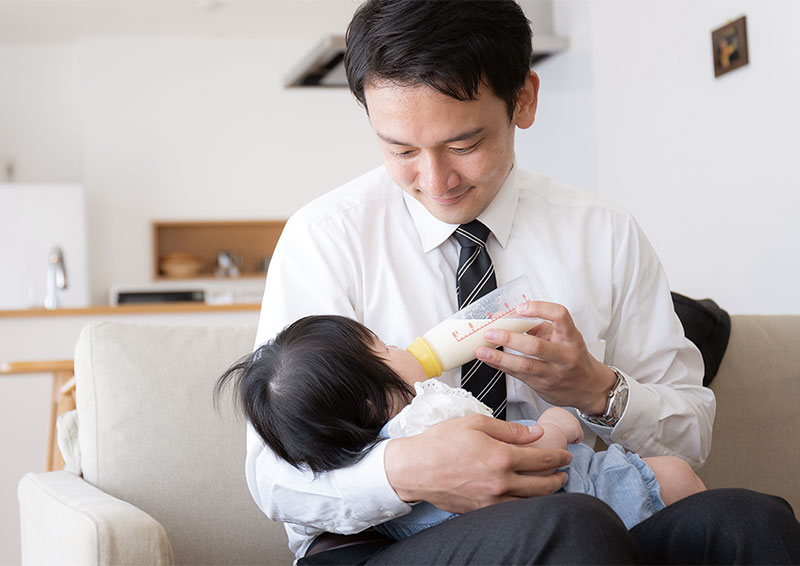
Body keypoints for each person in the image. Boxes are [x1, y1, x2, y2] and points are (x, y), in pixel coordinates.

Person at [248, 0, 800, 563]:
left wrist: (593, 389)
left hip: (582, 511)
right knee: (569, 528)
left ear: (526, 100)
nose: (435, 181)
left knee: (752, 519)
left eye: (463, 145)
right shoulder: (325, 237)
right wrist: (408, 472)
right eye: (402, 150)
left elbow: (690, 441)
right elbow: (271, 478)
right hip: (378, 543)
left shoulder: (602, 232)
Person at [217, 314, 705, 538]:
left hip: (504, 527)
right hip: (564, 498)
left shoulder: (344, 438)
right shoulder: (431, 413)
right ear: (372, 397)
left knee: (744, 515)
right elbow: (516, 455)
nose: (399, 344)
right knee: (676, 478)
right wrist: (558, 423)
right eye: (383, 345)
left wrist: (597, 389)